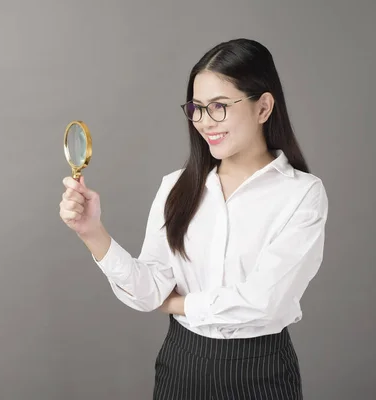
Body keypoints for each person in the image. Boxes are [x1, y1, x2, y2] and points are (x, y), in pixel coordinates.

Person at [59, 38, 328, 399]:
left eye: (219, 107)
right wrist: (92, 232)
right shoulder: (176, 187)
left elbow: (265, 302)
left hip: (261, 370)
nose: (204, 122)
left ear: (263, 107)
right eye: (197, 108)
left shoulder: (301, 194)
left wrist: (176, 304)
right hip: (182, 364)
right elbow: (148, 290)